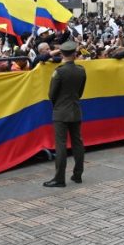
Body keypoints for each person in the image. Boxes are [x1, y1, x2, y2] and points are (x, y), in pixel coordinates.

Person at [44, 39, 87, 188]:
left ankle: (59, 178)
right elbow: (80, 92)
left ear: (61, 53)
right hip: (75, 109)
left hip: (61, 112)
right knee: (78, 143)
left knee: (61, 145)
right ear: (75, 53)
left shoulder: (59, 72)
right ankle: (78, 174)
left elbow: (51, 94)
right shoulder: (81, 70)